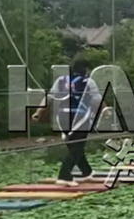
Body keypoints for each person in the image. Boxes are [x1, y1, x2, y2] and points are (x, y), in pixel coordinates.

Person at [34, 57, 105, 187]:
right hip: (80, 117)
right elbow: (97, 101)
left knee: (74, 146)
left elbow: (49, 98)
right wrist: (106, 112)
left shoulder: (61, 80)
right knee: (76, 147)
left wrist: (38, 112)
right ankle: (64, 176)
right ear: (85, 69)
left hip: (63, 117)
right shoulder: (88, 82)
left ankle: (86, 173)